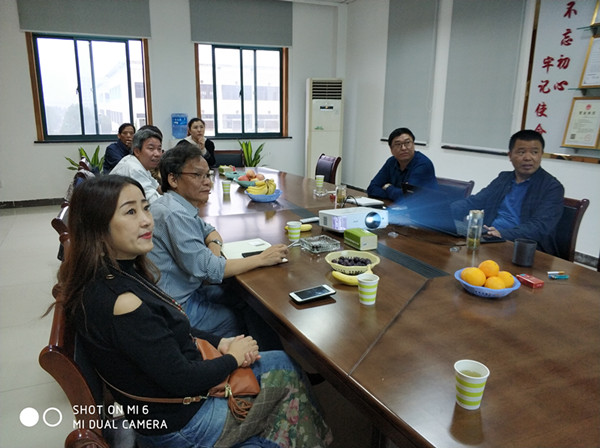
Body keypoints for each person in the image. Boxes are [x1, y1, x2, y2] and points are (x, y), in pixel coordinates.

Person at [54, 175, 332, 448]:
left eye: (145, 208)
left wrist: (220, 342)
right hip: (183, 426)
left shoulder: (112, 273)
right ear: (97, 227)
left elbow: (169, 327)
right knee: (285, 368)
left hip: (167, 409)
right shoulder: (123, 303)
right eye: (130, 212)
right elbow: (182, 379)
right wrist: (233, 358)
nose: (146, 220)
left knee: (279, 361)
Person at [148, 144, 288, 345]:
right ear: (173, 179)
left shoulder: (176, 204)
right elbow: (211, 271)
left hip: (188, 291)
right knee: (236, 315)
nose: (207, 182)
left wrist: (213, 249)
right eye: (197, 175)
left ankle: (269, 350)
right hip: (178, 307)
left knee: (247, 300)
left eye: (207, 175)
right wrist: (262, 258)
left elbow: (210, 231)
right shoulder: (173, 213)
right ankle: (257, 359)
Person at [451, 129, 564, 255]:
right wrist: (443, 212)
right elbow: (475, 201)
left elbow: (539, 227)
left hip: (525, 249)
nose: (528, 158)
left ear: (541, 154)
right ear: (510, 156)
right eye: (521, 152)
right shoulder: (503, 179)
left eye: (534, 152)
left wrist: (502, 233)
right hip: (490, 240)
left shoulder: (552, 187)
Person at [367, 127, 438, 201]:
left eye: (407, 143)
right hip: (399, 205)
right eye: (398, 144)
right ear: (391, 149)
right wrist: (397, 194)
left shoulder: (423, 164)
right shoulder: (391, 162)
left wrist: (388, 188)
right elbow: (372, 188)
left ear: (413, 144)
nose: (403, 148)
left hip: (426, 207)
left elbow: (407, 197)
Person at [111, 128, 163, 204]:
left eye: (159, 149)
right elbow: (154, 201)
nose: (157, 154)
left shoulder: (141, 165)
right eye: (151, 148)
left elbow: (158, 188)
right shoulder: (134, 168)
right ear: (137, 151)